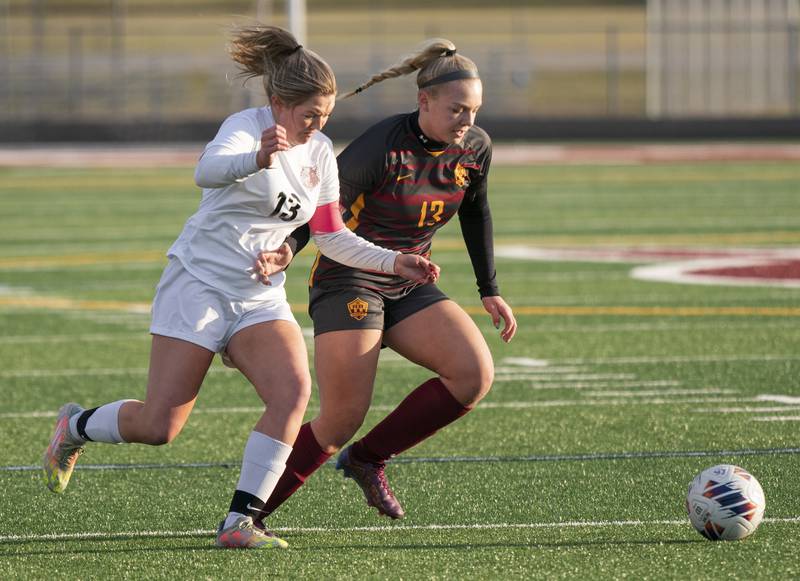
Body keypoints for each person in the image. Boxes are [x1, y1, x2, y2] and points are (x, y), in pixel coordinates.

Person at [42, 25, 437, 550]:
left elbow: (330, 236)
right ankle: (76, 426)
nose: (318, 125)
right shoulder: (246, 128)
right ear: (278, 103)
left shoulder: (319, 152)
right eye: (308, 115)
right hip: (199, 284)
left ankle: (239, 522)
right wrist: (256, 158)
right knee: (160, 426)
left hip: (258, 296)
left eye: (326, 115)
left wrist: (393, 262)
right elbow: (205, 172)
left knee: (293, 392)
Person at [250, 38, 517, 529]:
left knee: (472, 375)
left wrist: (489, 288)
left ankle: (367, 459)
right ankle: (249, 516)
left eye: (474, 110)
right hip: (348, 278)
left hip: (409, 279)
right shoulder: (381, 145)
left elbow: (476, 211)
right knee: (341, 416)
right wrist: (289, 246)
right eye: (457, 109)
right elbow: (322, 213)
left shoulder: (475, 147)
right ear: (424, 101)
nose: (467, 121)